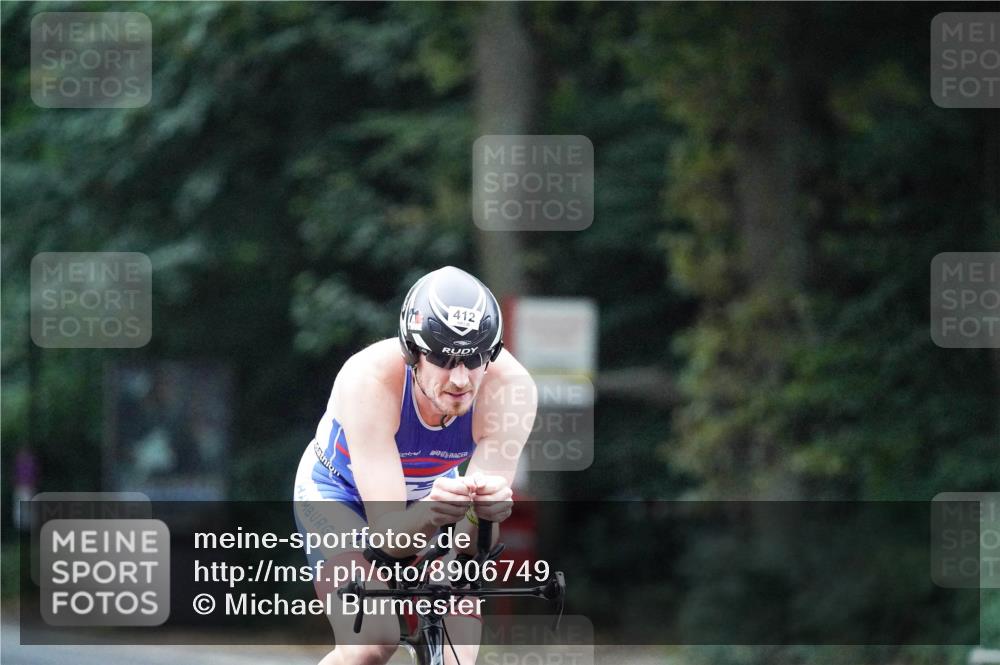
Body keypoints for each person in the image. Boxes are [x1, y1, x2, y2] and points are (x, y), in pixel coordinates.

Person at [294, 266, 537, 665]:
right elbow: (388, 536)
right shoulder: (369, 379)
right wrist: (433, 514)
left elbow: (475, 546)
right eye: (443, 358)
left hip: (435, 493)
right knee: (372, 644)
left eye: (474, 358)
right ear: (412, 352)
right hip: (340, 494)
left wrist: (480, 518)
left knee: (458, 653)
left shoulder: (511, 390)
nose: (460, 379)